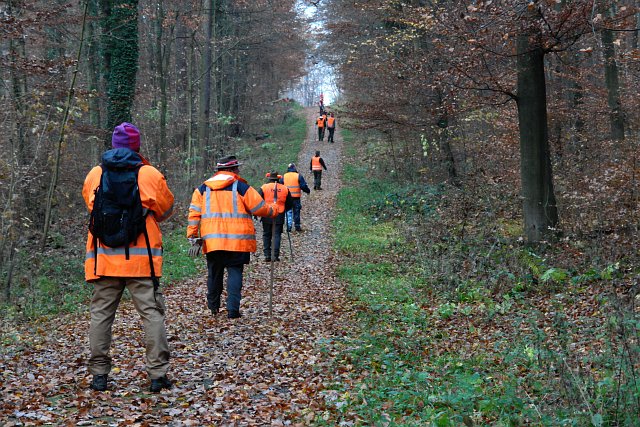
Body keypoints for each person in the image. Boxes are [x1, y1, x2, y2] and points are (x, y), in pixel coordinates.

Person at [82, 122, 175, 393]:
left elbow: (90, 205)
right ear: (137, 146)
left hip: (104, 260)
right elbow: (166, 209)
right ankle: (157, 375)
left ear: (113, 144)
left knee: (101, 315)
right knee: (151, 314)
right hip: (141, 261)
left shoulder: (96, 173)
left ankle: (99, 375)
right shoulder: (149, 173)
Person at [187, 155, 277, 318]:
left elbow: (194, 214)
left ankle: (213, 307)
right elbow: (259, 208)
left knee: (214, 273)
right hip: (238, 241)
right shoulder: (241, 187)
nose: (239, 170)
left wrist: (192, 236)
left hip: (212, 241)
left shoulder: (202, 189)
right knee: (235, 273)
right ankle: (233, 310)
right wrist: (273, 210)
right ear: (232, 169)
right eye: (237, 168)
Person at [258, 171, 293, 262]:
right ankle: (275, 255)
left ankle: (267, 255)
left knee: (266, 234)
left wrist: (259, 212)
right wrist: (284, 208)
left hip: (266, 213)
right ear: (278, 178)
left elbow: (258, 200)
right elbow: (290, 203)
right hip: (279, 214)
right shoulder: (285, 188)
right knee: (276, 235)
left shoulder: (264, 187)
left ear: (269, 178)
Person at [283, 163, 311, 231]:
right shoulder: (298, 176)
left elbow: (280, 186)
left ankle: (289, 226)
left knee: (288, 211)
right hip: (296, 198)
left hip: (287, 198)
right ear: (294, 168)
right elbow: (303, 186)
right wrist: (307, 191)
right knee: (296, 211)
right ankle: (297, 226)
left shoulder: (284, 176)